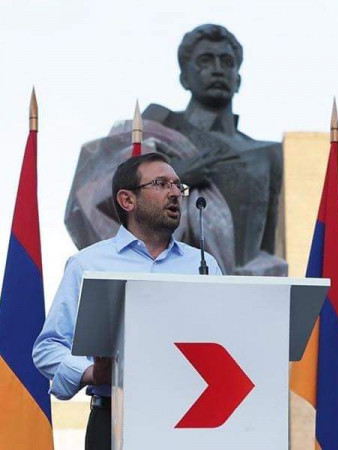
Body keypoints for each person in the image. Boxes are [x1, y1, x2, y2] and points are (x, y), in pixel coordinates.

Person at [33, 152, 222, 450]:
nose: (174, 193)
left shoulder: (203, 264)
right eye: (161, 184)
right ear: (127, 200)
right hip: (113, 418)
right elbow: (48, 348)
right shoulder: (88, 264)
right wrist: (92, 373)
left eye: (178, 185)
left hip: (190, 419)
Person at [65, 24, 287, 276]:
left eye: (227, 61)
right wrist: (177, 177)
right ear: (184, 78)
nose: (217, 69)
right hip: (163, 277)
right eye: (205, 60)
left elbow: (266, 244)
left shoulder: (266, 154)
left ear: (238, 79)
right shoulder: (160, 126)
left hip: (245, 286)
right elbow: (93, 195)